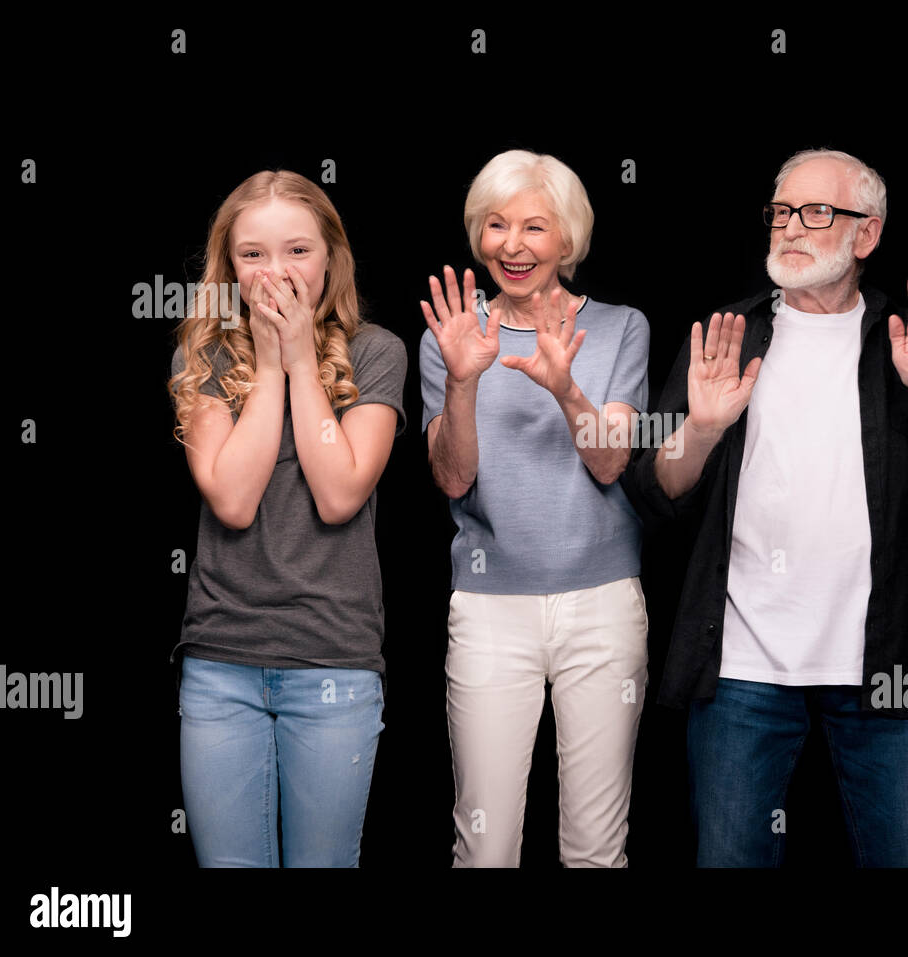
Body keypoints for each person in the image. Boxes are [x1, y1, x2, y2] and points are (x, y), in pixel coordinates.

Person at [620, 149, 908, 867]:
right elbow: (656, 494)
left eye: (815, 212)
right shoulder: (727, 335)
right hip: (741, 669)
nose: (790, 228)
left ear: (865, 235)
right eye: (781, 212)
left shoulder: (907, 341)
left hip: (886, 669)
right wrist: (705, 426)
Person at [167, 169, 407, 867]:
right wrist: (269, 367)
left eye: (298, 250)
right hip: (221, 665)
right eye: (253, 254)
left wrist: (303, 360)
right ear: (229, 266)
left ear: (330, 256)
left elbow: (339, 494)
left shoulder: (376, 352)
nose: (277, 272)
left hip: (333, 660)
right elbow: (234, 501)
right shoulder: (203, 356)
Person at [419, 149, 650, 867]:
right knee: (484, 848)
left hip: (603, 603)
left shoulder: (620, 327)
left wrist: (565, 386)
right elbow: (454, 480)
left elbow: (611, 460)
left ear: (567, 239)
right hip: (490, 608)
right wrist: (463, 380)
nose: (512, 246)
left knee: (594, 850)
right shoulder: (450, 337)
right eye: (495, 225)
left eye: (533, 227)